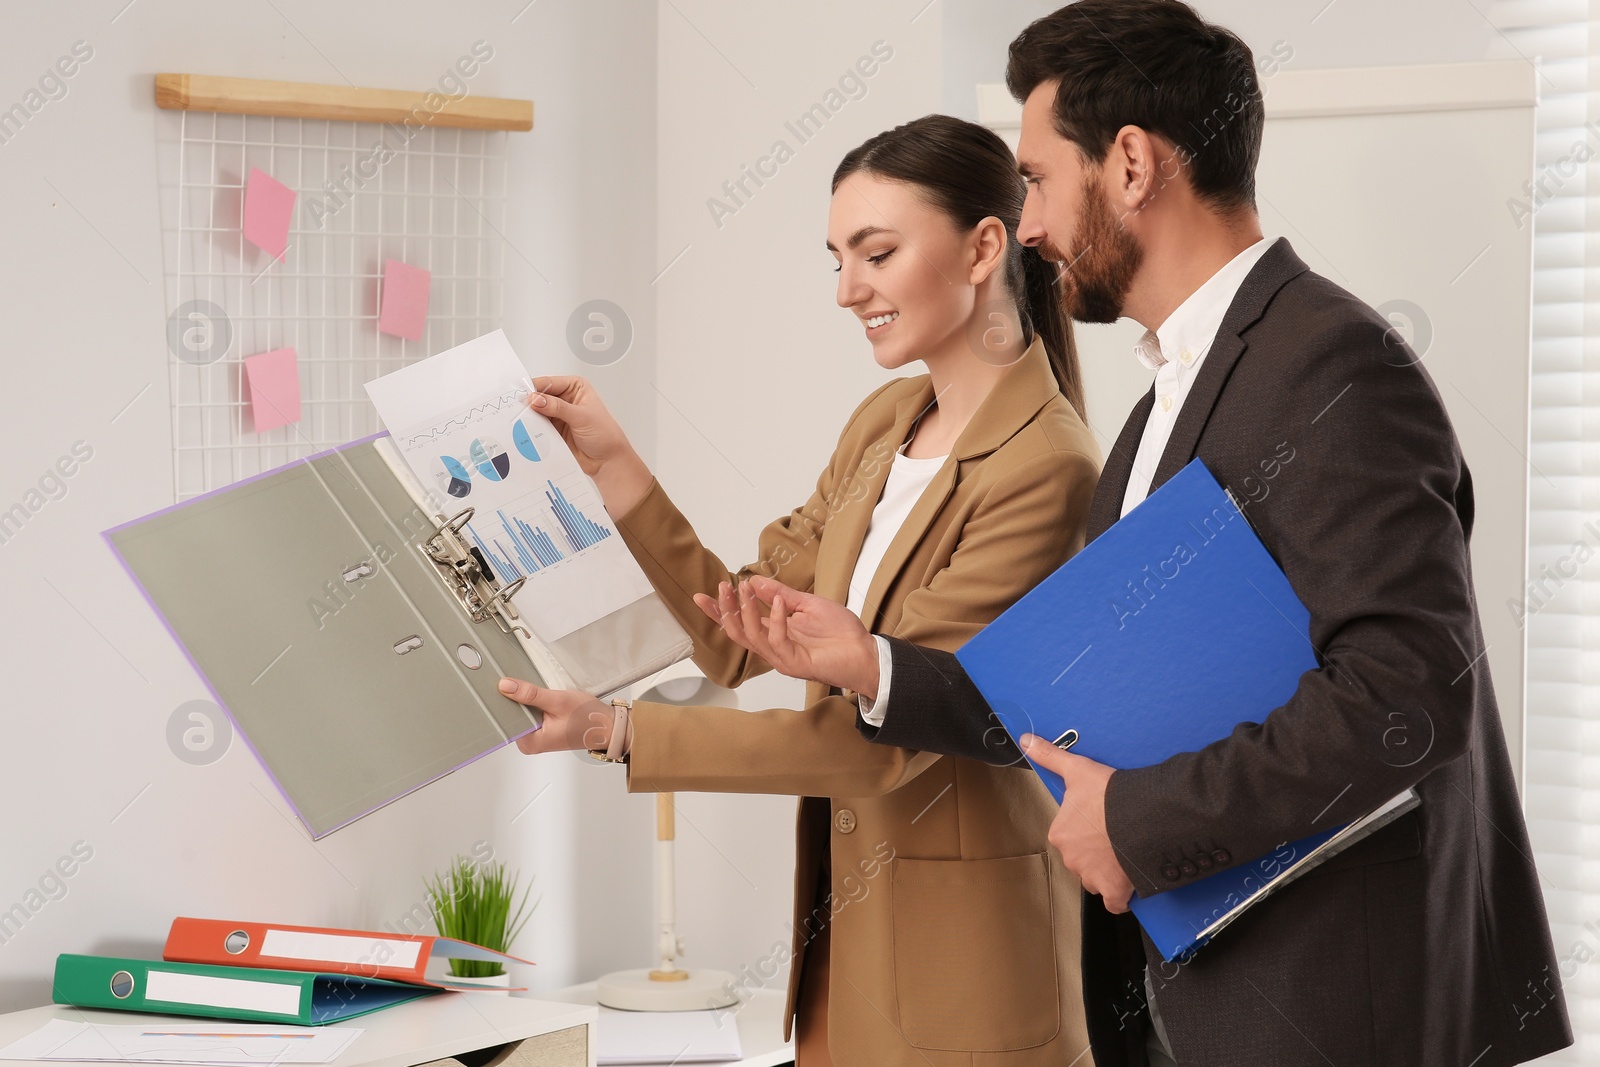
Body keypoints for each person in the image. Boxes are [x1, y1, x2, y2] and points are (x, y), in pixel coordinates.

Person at [696, 3, 1574, 1066]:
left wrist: (1139, 822)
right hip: (1196, 997)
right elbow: (1088, 689)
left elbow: (1404, 693)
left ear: (1128, 164)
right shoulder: (1171, 390)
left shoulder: (1333, 365)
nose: (1025, 225)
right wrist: (873, 664)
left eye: (1037, 180)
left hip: (1329, 1006)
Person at [497, 114, 1102, 1065]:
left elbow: (886, 741)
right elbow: (738, 634)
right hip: (844, 958)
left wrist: (616, 731)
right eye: (837, 258)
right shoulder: (885, 421)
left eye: (877, 253)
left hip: (967, 977)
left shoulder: (1046, 467)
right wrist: (616, 473)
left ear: (986, 245)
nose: (847, 290)